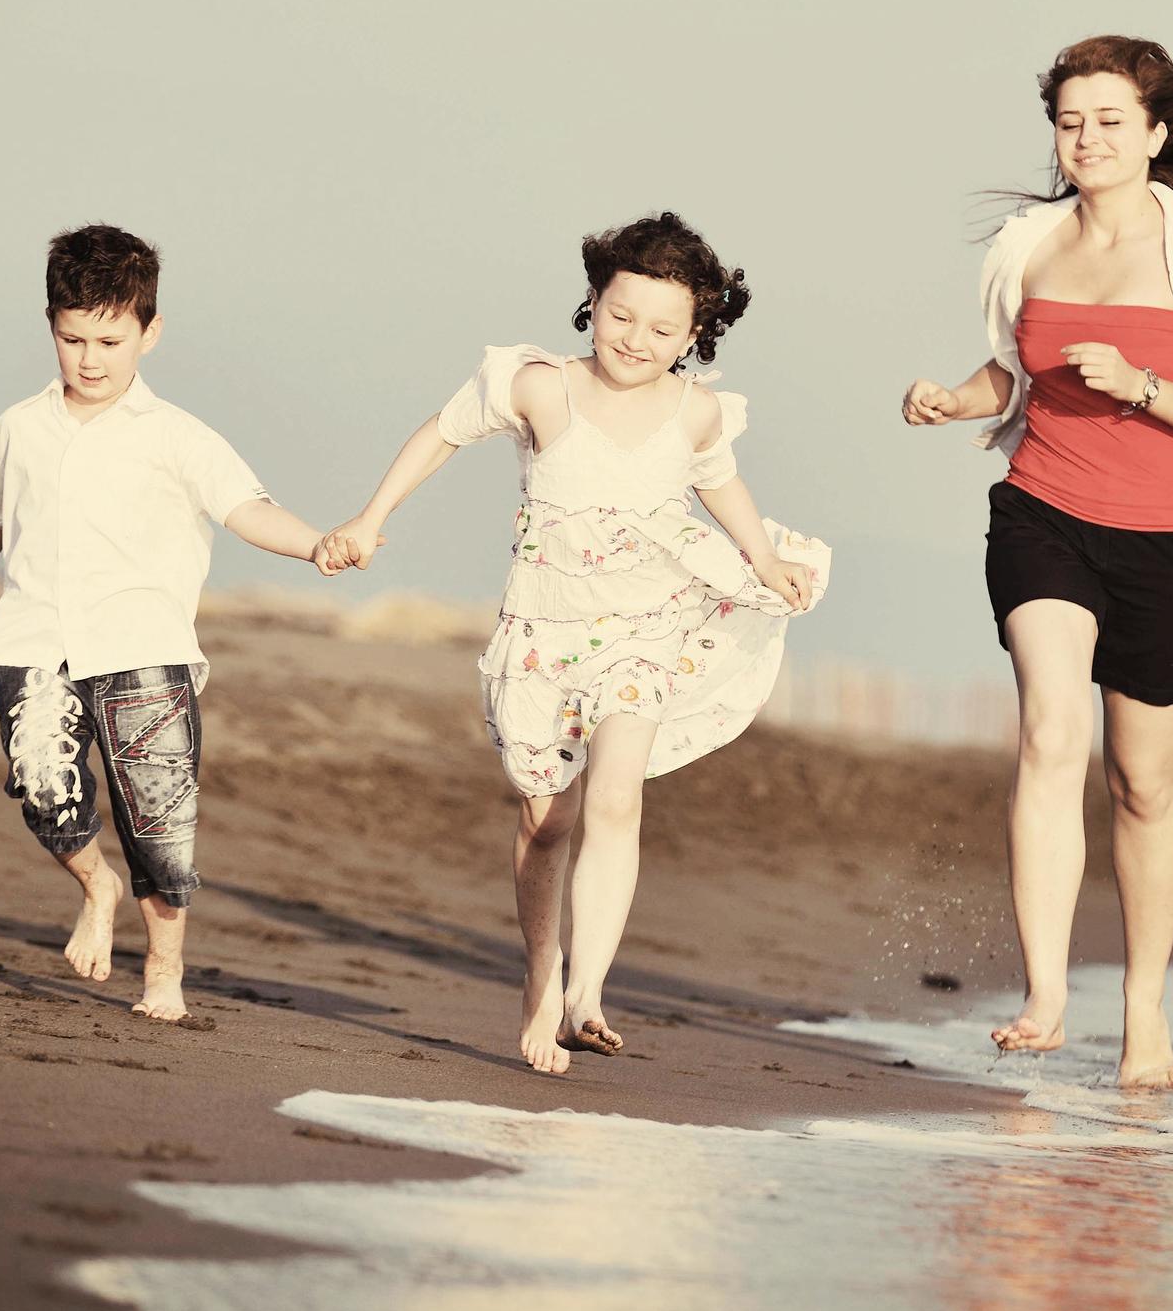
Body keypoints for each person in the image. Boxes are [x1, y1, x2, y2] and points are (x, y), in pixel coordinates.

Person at [316, 212, 826, 1075]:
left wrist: (766, 557)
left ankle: (588, 990)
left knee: (617, 796)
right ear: (592, 302)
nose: (638, 340)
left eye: (665, 329)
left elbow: (721, 484)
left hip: (645, 629)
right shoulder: (539, 386)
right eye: (622, 316)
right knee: (546, 820)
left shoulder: (696, 412)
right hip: (543, 634)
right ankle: (541, 977)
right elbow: (439, 432)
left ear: (696, 332)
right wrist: (370, 519)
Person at [900, 37, 1173, 1089]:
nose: (1088, 138)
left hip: (1167, 539)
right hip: (1045, 512)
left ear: (1156, 134)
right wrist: (953, 398)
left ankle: (1144, 1014)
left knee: (1145, 782)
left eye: (1110, 119)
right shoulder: (1029, 244)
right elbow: (1013, 377)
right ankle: (1047, 992)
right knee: (1053, 731)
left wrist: (1143, 385)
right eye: (1071, 121)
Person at [0, 223, 336, 1022]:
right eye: (73, 339)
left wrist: (317, 546)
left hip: (145, 648)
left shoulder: (177, 436)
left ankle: (163, 968)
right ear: (50, 327)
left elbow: (246, 508)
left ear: (149, 333)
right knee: (42, 786)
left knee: (159, 820)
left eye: (110, 339)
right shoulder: (18, 428)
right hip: (32, 641)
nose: (90, 358)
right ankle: (95, 885)